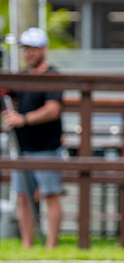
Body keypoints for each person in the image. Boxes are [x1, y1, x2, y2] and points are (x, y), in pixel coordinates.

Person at [1, 27, 64, 249]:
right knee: (23, 198)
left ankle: (51, 246)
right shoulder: (21, 77)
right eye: (27, 49)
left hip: (47, 147)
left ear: (44, 49)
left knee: (50, 195)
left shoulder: (53, 76)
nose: (30, 53)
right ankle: (27, 246)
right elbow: (8, 96)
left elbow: (52, 109)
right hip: (22, 147)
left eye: (34, 49)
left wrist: (23, 119)